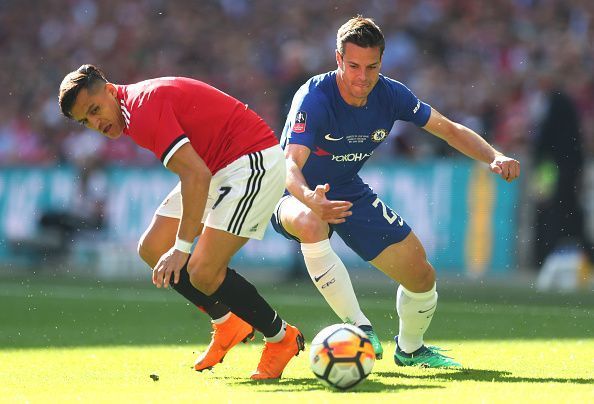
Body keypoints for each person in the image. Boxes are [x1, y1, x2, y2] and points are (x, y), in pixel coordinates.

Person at [269, 16, 520, 368]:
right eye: (353, 66)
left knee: (421, 274)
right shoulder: (314, 97)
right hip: (287, 192)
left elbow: (447, 129)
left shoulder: (391, 94)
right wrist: (310, 197)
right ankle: (360, 329)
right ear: (338, 59)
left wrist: (493, 155)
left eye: (371, 67)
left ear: (381, 62)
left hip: (345, 188)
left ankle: (411, 349)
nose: (362, 77)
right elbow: (289, 165)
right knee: (312, 222)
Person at [58, 65, 304, 379]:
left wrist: (182, 248)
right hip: (217, 164)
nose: (96, 124)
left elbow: (195, 175)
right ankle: (228, 322)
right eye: (85, 121)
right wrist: (175, 248)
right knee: (152, 248)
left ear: (108, 89)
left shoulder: (141, 108)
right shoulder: (130, 109)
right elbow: (197, 171)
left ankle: (281, 338)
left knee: (201, 270)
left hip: (250, 161)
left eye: (94, 110)